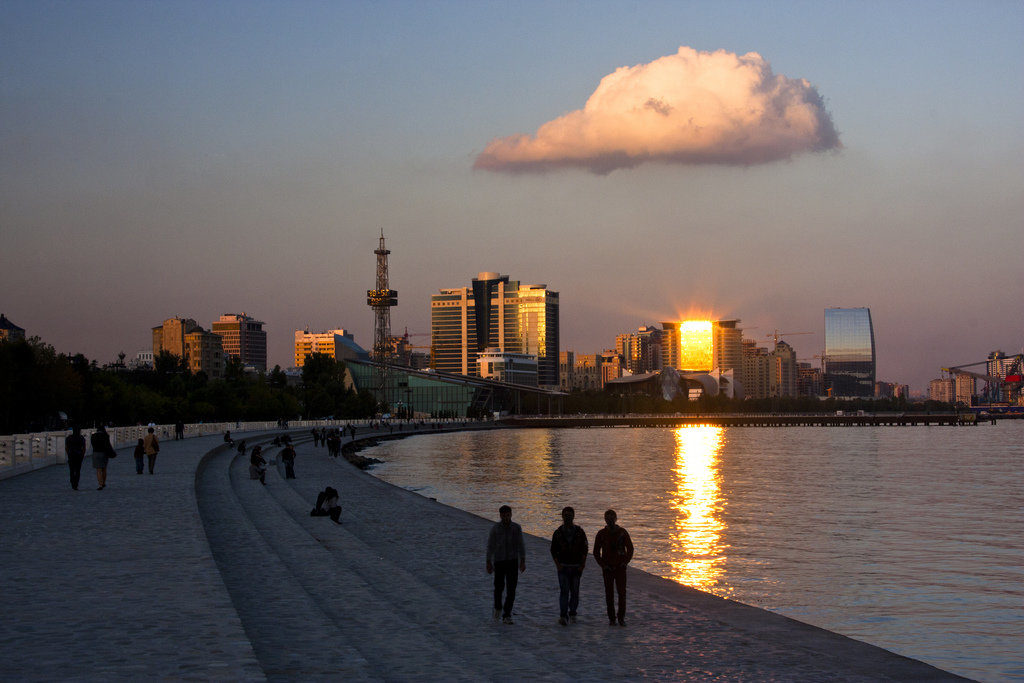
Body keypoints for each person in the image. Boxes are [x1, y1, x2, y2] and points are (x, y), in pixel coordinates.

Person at [594, 509, 635, 626]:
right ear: (605, 520)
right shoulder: (601, 534)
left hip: (620, 568)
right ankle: (612, 618)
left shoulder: (622, 532)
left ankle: (621, 618)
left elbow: (630, 549)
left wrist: (625, 562)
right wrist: (603, 565)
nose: (610, 520)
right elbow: (596, 552)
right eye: (607, 518)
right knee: (609, 594)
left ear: (616, 519)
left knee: (622, 593)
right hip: (607, 569)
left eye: (612, 517)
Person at [486, 505, 526, 624]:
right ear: (500, 515)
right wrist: (488, 561)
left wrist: (522, 560)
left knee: (511, 589)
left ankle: (507, 614)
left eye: (508, 515)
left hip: (513, 561)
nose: (506, 517)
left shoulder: (516, 528)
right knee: (498, 587)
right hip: (499, 561)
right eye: (503, 515)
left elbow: (521, 545)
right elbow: (490, 546)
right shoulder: (495, 528)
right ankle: (498, 607)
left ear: (511, 515)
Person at [550, 506, 588, 625]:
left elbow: (585, 549)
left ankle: (572, 614)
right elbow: (553, 550)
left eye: (570, 515)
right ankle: (563, 615)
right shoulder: (558, 533)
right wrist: (558, 565)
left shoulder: (579, 532)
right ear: (562, 516)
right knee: (564, 591)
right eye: (566, 515)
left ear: (573, 516)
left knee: (575, 591)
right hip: (563, 566)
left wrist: (582, 565)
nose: (568, 517)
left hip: (576, 566)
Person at [89, 425, 115, 490]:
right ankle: (103, 483)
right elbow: (108, 445)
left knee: (98, 470)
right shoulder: (105, 436)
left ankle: (100, 485)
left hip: (96, 453)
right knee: (104, 469)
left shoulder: (93, 436)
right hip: (104, 453)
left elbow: (92, 444)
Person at [65, 426, 86, 490]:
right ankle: (76, 484)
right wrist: (82, 455)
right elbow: (84, 448)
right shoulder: (81, 438)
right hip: (79, 455)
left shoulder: (69, 438)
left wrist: (68, 453)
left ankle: (72, 482)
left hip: (71, 455)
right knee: (77, 470)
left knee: (71, 470)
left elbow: (66, 447)